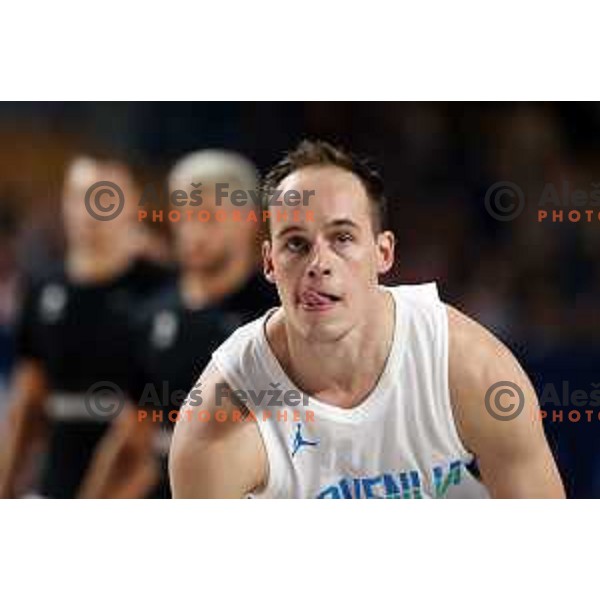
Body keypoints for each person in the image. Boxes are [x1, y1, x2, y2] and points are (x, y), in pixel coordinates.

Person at [169, 140, 565, 499]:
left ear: (383, 253)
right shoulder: (219, 419)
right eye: (296, 243)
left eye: (342, 238)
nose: (319, 263)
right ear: (270, 262)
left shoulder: (467, 366)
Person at [80, 150, 277, 498]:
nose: (192, 232)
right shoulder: (151, 313)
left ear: (248, 218)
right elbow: (131, 438)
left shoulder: (275, 316)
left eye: (209, 218)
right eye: (184, 216)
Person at [0, 154, 171, 499]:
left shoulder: (165, 291)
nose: (93, 210)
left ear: (132, 204)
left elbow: (151, 426)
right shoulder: (43, 288)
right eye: (82, 196)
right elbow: (27, 403)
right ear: (65, 204)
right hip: (56, 487)